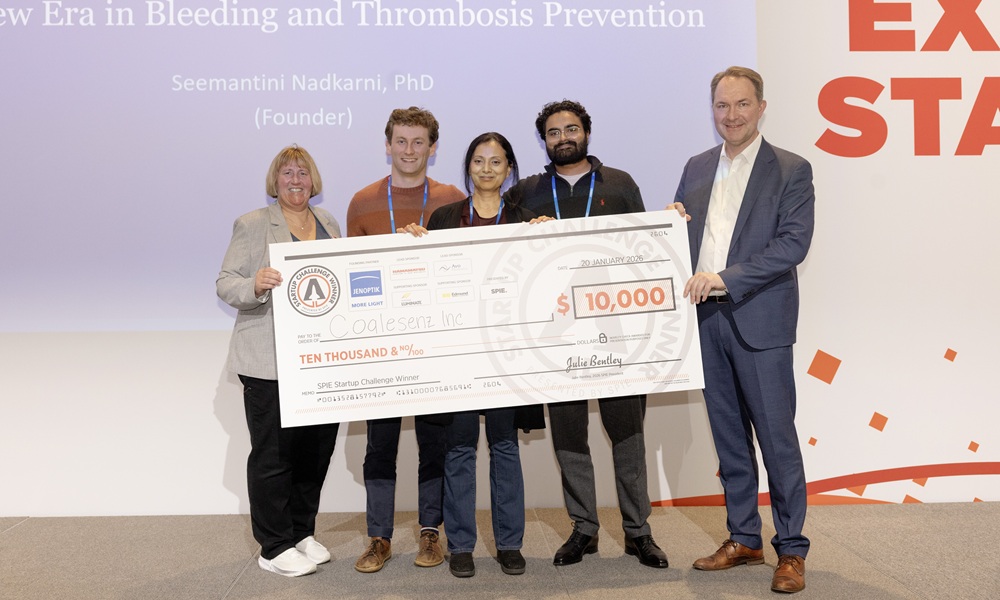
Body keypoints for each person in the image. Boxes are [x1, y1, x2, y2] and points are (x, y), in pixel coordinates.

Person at [668, 66, 814, 594]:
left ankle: (792, 549)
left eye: (742, 105)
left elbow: (792, 245)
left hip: (761, 320)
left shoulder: (791, 169)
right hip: (705, 322)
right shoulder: (697, 165)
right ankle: (744, 536)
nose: (731, 115)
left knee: (777, 440)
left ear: (761, 106)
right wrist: (667, 230)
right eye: (722, 106)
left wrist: (723, 279)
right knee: (729, 438)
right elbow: (684, 235)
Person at [505, 100, 669, 569]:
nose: (563, 138)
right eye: (553, 132)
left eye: (571, 129)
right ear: (544, 140)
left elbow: (646, 250)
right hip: (558, 338)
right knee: (569, 438)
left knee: (628, 436)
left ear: (587, 134)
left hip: (617, 335)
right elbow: (511, 266)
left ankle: (638, 532)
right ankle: (584, 529)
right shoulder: (527, 193)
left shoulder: (620, 183)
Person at [399, 132, 548, 578]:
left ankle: (509, 544)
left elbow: (540, 286)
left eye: (496, 162)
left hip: (506, 357)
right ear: (468, 167)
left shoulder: (526, 220)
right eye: (479, 161)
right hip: (457, 356)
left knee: (505, 448)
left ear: (509, 170)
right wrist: (412, 241)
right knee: (459, 449)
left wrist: (547, 243)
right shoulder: (444, 217)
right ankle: (461, 544)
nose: (487, 169)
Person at [346, 107, 466, 573]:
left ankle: (430, 534)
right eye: (401, 141)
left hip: (436, 346)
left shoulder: (453, 198)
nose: (410, 150)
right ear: (388, 144)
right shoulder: (362, 201)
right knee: (381, 444)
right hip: (380, 347)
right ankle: (379, 537)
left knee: (433, 443)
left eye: (419, 142)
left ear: (433, 147)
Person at [216, 145, 341, 577]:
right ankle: (273, 546)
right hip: (268, 362)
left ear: (313, 181)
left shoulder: (328, 222)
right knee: (273, 455)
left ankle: (301, 531)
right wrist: (254, 283)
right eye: (287, 173)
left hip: (319, 359)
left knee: (314, 451)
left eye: (302, 173)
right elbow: (225, 283)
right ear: (275, 180)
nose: (295, 180)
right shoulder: (252, 224)